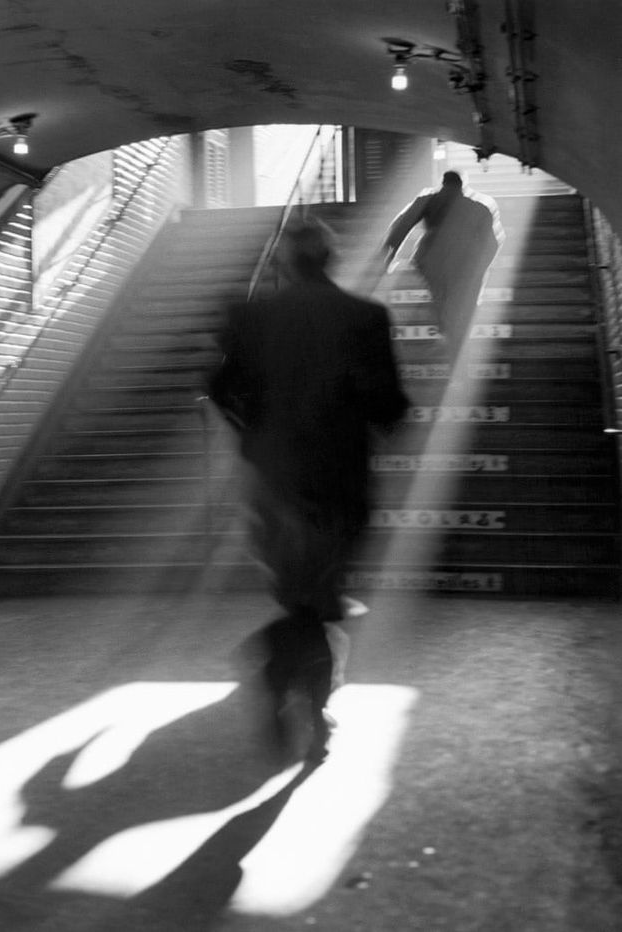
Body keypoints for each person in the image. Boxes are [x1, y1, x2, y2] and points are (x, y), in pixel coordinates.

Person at [208, 218, 409, 762]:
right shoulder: (366, 318)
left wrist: (254, 433)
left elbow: (219, 388)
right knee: (316, 600)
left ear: (282, 263)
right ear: (330, 258)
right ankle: (297, 692)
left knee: (303, 599)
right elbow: (391, 407)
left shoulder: (251, 318)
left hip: (274, 482)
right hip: (340, 482)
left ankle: (288, 682)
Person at [378, 169, 504, 368]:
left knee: (441, 303)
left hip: (433, 263)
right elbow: (493, 243)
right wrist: (480, 268)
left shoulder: (430, 200)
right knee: (460, 308)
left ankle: (448, 339)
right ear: (462, 186)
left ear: (442, 183)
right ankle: (457, 351)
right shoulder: (480, 208)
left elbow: (403, 224)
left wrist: (388, 254)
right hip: (466, 266)